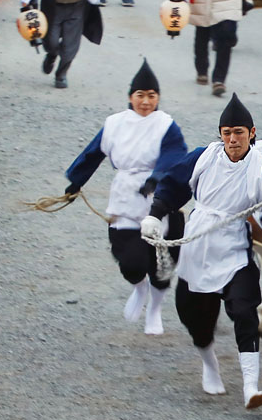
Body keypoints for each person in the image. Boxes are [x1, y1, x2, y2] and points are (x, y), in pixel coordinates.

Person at [141, 94, 262, 408]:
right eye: (227, 133)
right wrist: (155, 215)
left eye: (239, 133)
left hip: (235, 249)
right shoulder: (202, 158)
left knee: (245, 310)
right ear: (221, 134)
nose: (233, 139)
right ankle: (210, 365)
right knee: (194, 315)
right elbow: (172, 185)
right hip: (198, 245)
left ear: (252, 133)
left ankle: (251, 386)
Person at [64, 60, 187, 335]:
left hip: (159, 197)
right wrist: (76, 181)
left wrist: (156, 177)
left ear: (158, 98)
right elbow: (93, 153)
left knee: (161, 263)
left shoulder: (166, 125)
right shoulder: (114, 124)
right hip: (125, 192)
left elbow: (174, 154)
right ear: (131, 97)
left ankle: (155, 309)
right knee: (131, 261)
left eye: (151, 96)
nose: (146, 102)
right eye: (140, 96)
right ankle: (138, 287)